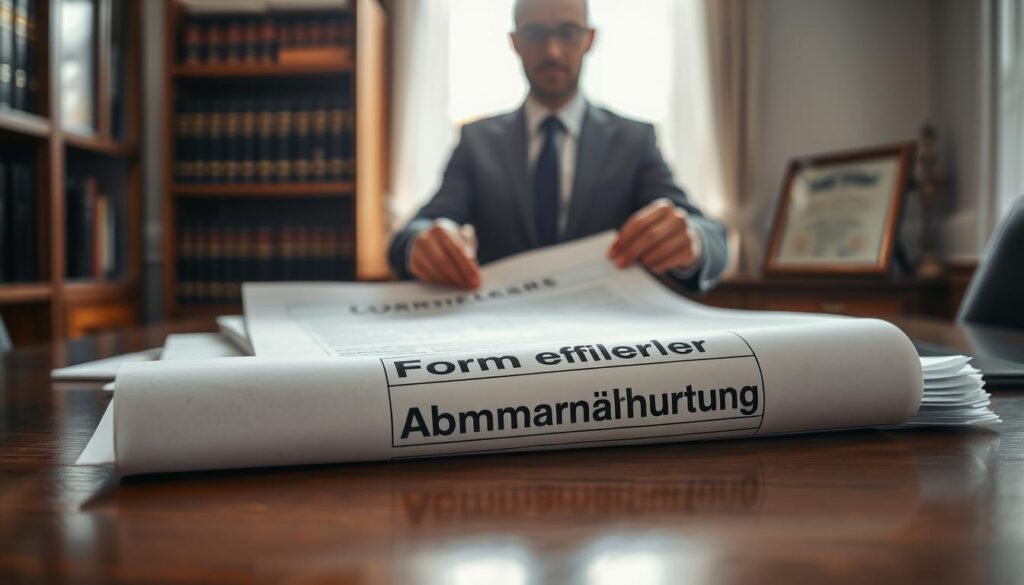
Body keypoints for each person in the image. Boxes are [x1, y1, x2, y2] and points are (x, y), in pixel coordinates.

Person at [388, 0, 728, 292]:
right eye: (536, 33)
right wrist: (423, 245)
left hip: (606, 342)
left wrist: (691, 242)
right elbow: (412, 234)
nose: (552, 51)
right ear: (515, 42)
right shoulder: (477, 141)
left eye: (567, 32)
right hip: (501, 339)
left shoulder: (633, 140)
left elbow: (712, 237)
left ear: (589, 39)